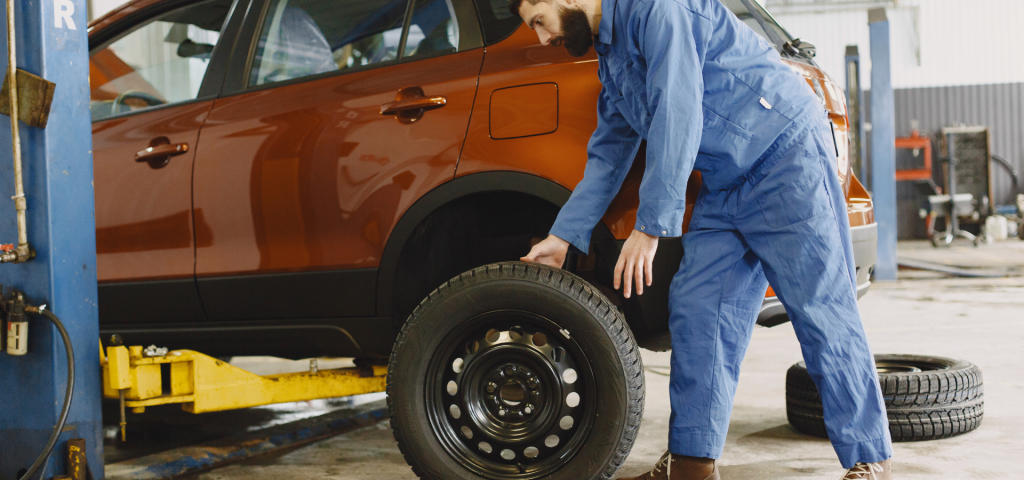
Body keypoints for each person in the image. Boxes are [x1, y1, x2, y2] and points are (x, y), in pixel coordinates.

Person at [512, 0, 894, 479]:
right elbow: (610, 152)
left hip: (784, 158)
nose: (542, 39)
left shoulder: (660, 9)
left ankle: (868, 459)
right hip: (724, 181)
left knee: (821, 310)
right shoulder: (610, 56)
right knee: (699, 313)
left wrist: (650, 227)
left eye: (538, 23)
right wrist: (563, 235)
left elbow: (678, 107)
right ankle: (691, 463)